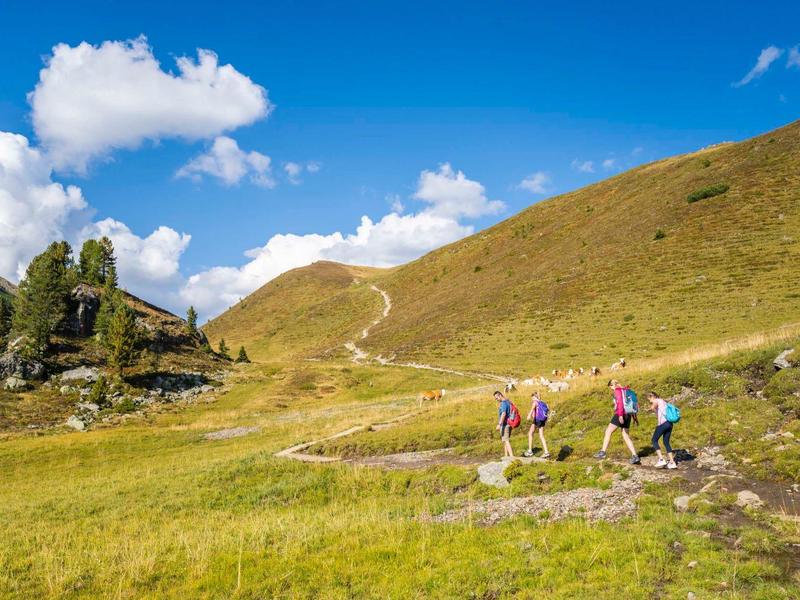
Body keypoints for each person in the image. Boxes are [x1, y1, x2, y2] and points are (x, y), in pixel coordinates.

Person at [594, 379, 640, 464]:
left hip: (620, 414)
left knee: (608, 431)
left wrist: (620, 415)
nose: (611, 389)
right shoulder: (626, 390)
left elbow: (620, 404)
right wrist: (634, 417)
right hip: (628, 414)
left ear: (612, 385)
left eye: (610, 387)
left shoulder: (618, 391)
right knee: (625, 435)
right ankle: (635, 456)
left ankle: (602, 452)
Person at [648, 392, 677, 469]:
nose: (649, 401)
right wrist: (654, 410)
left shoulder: (656, 400)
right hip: (670, 423)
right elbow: (658, 411)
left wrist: (650, 408)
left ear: (652, 397)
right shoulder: (663, 401)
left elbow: (653, 406)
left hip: (663, 424)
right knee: (666, 442)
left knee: (654, 440)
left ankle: (661, 459)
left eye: (649, 399)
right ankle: (672, 462)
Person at [523, 391, 550, 458]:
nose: (532, 399)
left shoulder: (535, 402)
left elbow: (532, 409)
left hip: (537, 420)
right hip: (542, 420)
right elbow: (547, 410)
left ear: (535, 397)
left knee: (530, 433)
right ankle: (546, 452)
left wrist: (529, 415)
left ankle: (530, 451)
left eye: (532, 397)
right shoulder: (544, 403)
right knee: (541, 436)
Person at [494, 391, 515, 458]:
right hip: (509, 423)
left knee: (506, 440)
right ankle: (506, 456)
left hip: (505, 424)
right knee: (505, 440)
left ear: (500, 395)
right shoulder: (508, 402)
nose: (496, 400)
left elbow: (503, 414)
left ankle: (512, 457)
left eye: (496, 398)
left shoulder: (503, 403)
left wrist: (499, 424)